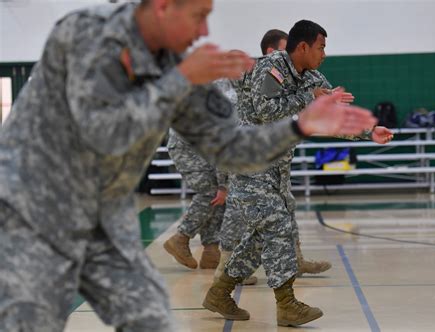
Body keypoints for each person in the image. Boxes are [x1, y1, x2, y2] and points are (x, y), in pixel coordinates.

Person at [0, 1, 377, 330]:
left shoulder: (178, 64)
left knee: (150, 314)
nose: (205, 30)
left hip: (102, 217)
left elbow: (228, 140)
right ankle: (274, 299)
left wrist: (326, 125)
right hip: (33, 207)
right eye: (199, 15)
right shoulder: (87, 33)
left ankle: (220, 291)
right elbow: (103, 129)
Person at [203, 20, 392, 327]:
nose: (324, 54)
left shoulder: (314, 78)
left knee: (259, 239)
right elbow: (265, 110)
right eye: (321, 47)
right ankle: (286, 304)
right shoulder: (272, 66)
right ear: (302, 47)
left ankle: (220, 293)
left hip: (277, 170)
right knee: (278, 224)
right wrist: (310, 98)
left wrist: (369, 132)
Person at [163, 74, 241, 270]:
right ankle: (181, 238)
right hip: (186, 144)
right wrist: (224, 186)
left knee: (216, 192)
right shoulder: (233, 99)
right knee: (210, 192)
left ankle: (211, 251)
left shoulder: (232, 89)